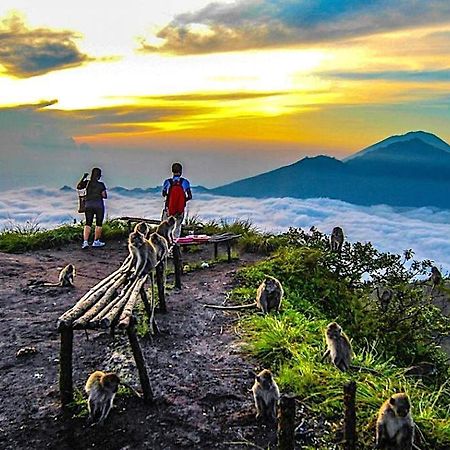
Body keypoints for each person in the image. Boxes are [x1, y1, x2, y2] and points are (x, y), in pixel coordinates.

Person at [77, 167, 107, 249]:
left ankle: (85, 242)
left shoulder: (87, 183)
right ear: (99, 176)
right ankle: (96, 241)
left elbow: (78, 186)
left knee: (88, 223)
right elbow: (104, 196)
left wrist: (83, 177)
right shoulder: (101, 185)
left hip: (88, 205)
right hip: (98, 206)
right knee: (99, 223)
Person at [161, 162, 192, 240]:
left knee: (166, 228)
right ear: (181, 171)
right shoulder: (185, 182)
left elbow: (164, 194)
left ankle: (166, 244)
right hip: (180, 211)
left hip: (168, 209)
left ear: (172, 171)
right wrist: (182, 201)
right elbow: (190, 196)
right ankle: (175, 244)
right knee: (177, 228)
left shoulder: (167, 182)